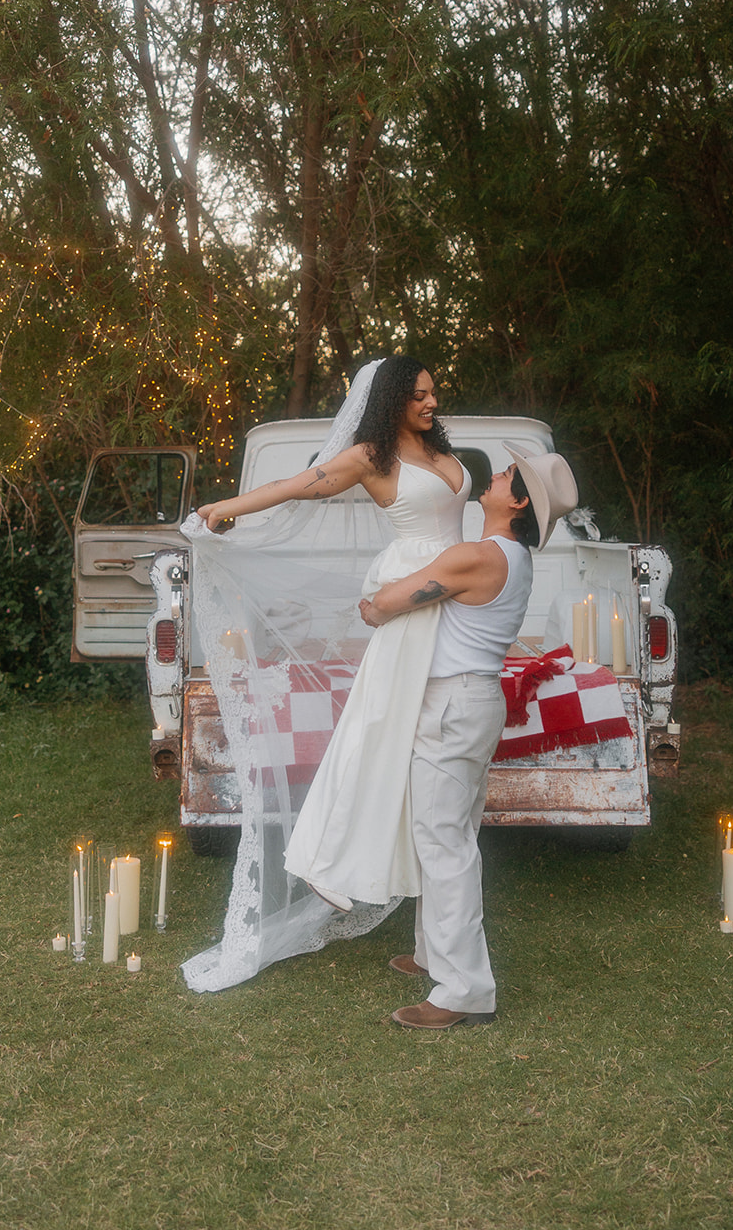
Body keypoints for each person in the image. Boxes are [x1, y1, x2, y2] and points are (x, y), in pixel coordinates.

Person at [180, 356, 473, 992]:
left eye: (433, 394)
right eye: (419, 396)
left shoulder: (440, 450)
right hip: (410, 597)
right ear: (393, 399)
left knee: (423, 750)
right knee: (378, 730)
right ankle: (324, 861)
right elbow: (299, 484)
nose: (431, 403)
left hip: (449, 595)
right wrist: (226, 507)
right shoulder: (370, 457)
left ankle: (403, 881)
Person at [359, 443, 579, 1028]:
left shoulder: (478, 556)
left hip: (454, 703)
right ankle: (434, 952)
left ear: (519, 500)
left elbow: (383, 605)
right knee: (445, 828)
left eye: (508, 475)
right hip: (471, 700)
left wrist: (373, 602)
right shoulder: (511, 555)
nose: (496, 474)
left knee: (444, 841)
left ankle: (462, 990)